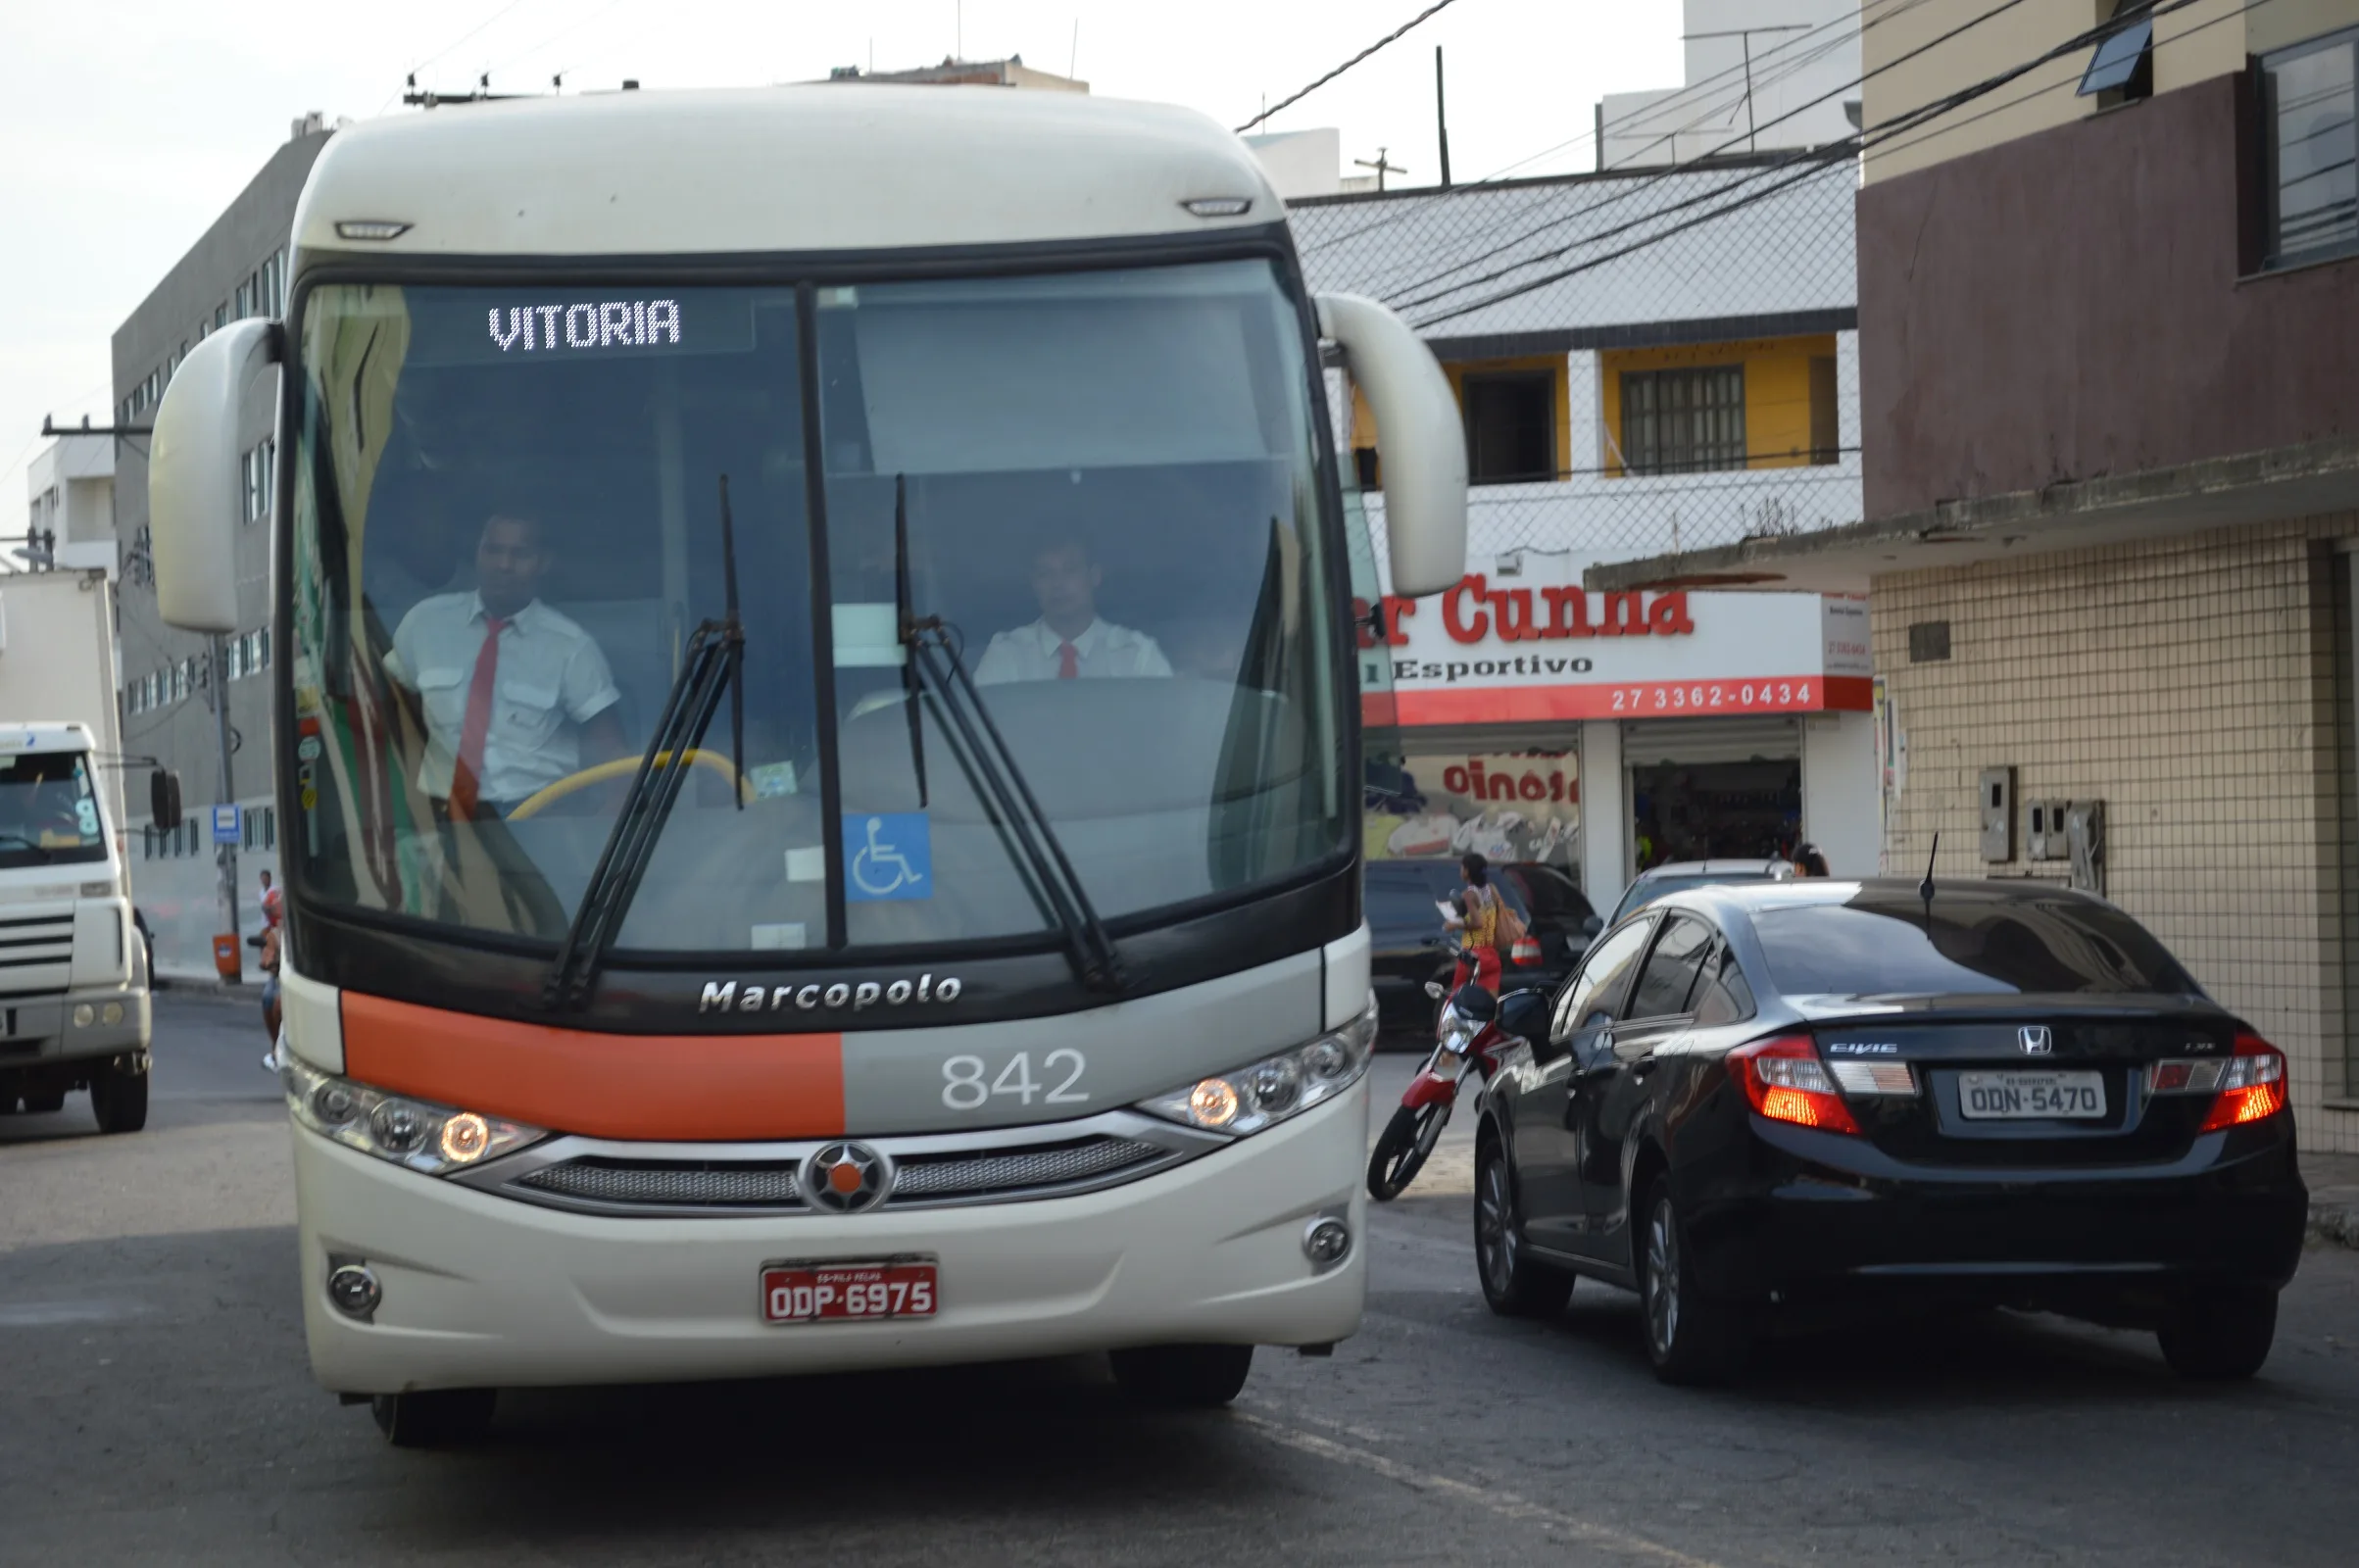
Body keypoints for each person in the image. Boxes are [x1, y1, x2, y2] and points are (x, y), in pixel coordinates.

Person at [385, 513, 629, 820]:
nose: (504, 564)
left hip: (541, 818)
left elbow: (609, 744)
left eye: (520, 554)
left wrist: (612, 809)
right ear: (477, 553)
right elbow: (382, 706)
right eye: (493, 550)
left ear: (543, 563)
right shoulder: (425, 623)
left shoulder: (570, 646)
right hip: (446, 817)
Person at [974, 535, 1172, 685]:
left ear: (1094, 577)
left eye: (1070, 570)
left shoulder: (1137, 655)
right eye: (1045, 574)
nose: (1057, 584)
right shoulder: (1007, 655)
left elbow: (1167, 726)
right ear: (1033, 583)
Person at [1442, 851, 1504, 998]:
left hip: (1473, 956)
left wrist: (1455, 925)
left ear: (1468, 871)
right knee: (1490, 1005)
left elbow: (1477, 922)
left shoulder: (1469, 894)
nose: (1460, 870)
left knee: (1457, 999)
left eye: (1462, 867)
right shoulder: (1492, 890)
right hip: (1492, 954)